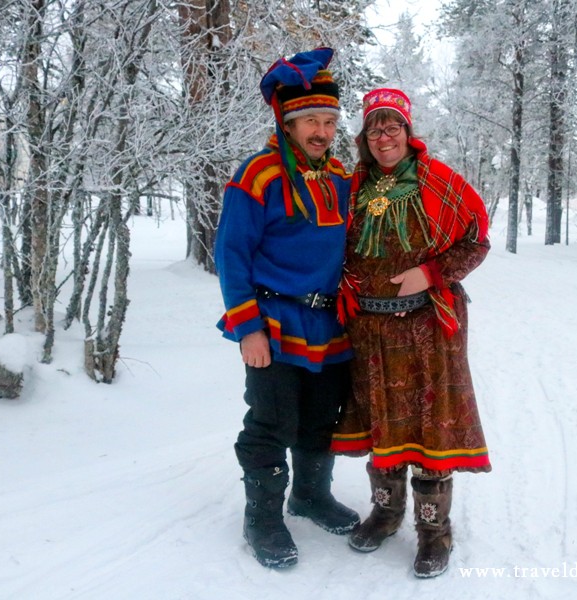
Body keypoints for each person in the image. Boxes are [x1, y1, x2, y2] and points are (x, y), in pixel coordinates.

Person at [331, 88, 491, 578]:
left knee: (429, 426)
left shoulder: (438, 181)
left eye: (392, 127)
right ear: (364, 138)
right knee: (382, 420)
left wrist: (432, 273)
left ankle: (434, 531)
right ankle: (385, 513)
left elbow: (476, 240)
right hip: (369, 330)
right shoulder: (351, 187)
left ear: (408, 131)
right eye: (374, 129)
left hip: (428, 328)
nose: (384, 137)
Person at [214, 47, 359, 569]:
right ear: (289, 122)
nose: (322, 131)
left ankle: (310, 496)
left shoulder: (339, 175)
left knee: (322, 418)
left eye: (330, 121)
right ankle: (263, 518)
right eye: (311, 121)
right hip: (274, 323)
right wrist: (247, 329)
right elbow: (231, 254)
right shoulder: (258, 174)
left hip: (329, 324)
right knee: (271, 420)